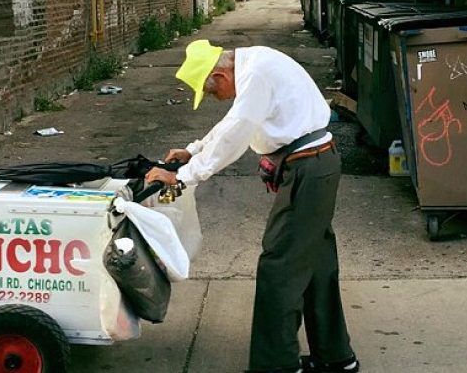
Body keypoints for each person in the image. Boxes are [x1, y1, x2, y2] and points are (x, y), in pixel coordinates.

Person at [145, 40, 359, 373]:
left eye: (212, 92)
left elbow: (236, 133)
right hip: (314, 165)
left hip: (308, 168)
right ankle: (335, 357)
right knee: (315, 264)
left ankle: (277, 366)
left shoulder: (256, 73)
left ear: (220, 73)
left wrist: (184, 177)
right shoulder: (253, 65)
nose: (218, 98)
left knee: (279, 267)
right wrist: (194, 149)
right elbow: (233, 123)